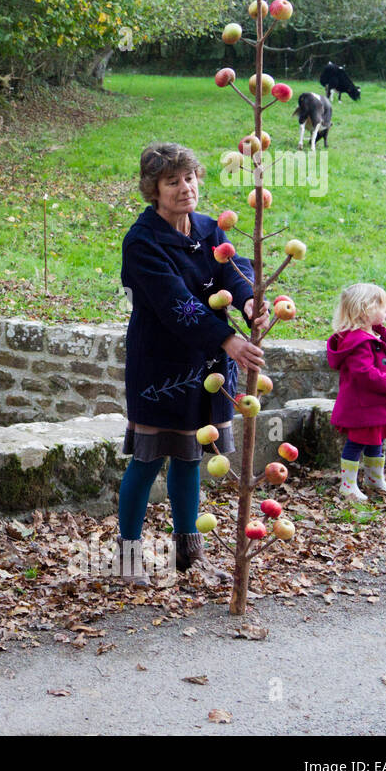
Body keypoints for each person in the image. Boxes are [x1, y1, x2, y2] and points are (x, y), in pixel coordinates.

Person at [118, 143, 267, 586]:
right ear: (154, 190)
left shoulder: (210, 230)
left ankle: (189, 554)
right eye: (172, 182)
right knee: (147, 460)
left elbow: (234, 270)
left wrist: (250, 302)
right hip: (160, 367)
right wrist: (229, 338)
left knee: (190, 456)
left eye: (189, 178)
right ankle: (127, 561)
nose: (185, 188)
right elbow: (176, 305)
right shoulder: (142, 241)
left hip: (210, 367)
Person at [327, 283, 386, 501]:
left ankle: (374, 478)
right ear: (366, 309)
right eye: (382, 306)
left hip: (374, 403)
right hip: (361, 404)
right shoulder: (357, 342)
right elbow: (366, 374)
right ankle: (348, 485)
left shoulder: (374, 335)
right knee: (357, 442)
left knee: (377, 439)